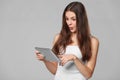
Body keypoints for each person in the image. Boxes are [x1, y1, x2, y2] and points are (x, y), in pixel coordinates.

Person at [35, 1, 99, 80]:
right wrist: (45, 60)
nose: (69, 23)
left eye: (73, 19)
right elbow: (55, 71)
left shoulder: (93, 41)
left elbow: (88, 74)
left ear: (81, 20)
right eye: (67, 19)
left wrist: (74, 58)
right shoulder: (58, 37)